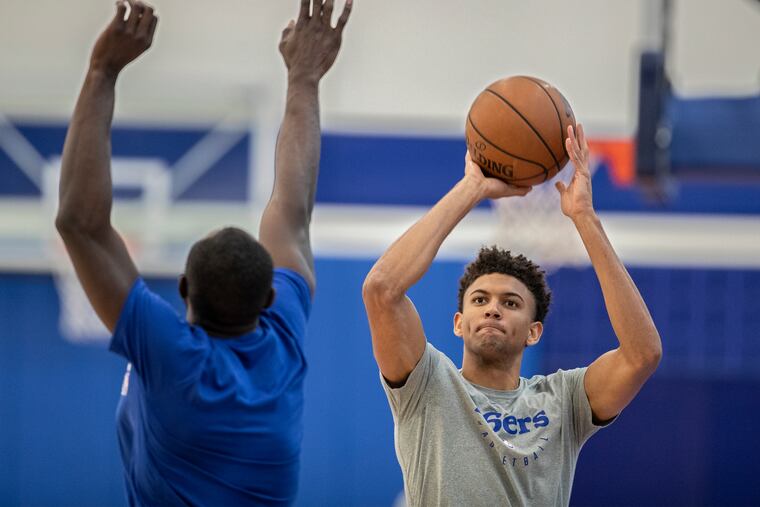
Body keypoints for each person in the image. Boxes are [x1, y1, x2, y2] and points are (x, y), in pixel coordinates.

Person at [55, 0, 351, 504]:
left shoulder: (173, 354)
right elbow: (293, 208)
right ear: (268, 302)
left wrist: (103, 70)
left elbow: (77, 221)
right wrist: (304, 78)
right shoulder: (281, 341)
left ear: (184, 289)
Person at [362, 125, 662, 506]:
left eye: (511, 303)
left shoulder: (564, 400)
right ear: (459, 323)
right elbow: (381, 289)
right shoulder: (427, 387)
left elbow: (643, 354)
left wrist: (584, 216)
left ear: (533, 332)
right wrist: (471, 189)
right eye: (480, 299)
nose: (493, 308)